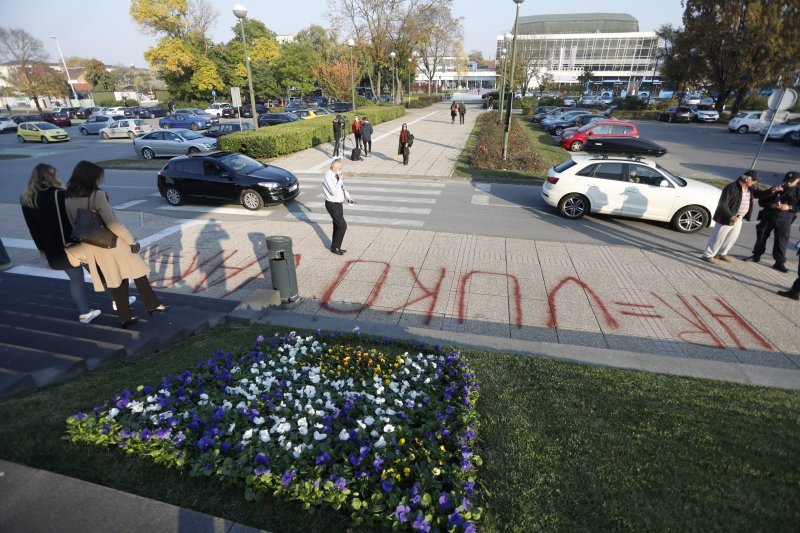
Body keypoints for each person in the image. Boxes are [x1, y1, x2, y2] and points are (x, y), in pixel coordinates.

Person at [63, 161, 168, 327]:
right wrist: (131, 241)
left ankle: (127, 316)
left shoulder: (68, 197)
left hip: (92, 245)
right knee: (138, 270)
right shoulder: (96, 195)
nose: (100, 179)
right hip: (111, 242)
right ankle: (151, 305)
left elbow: (73, 223)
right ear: (91, 177)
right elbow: (113, 224)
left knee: (116, 278)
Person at [20, 163, 101, 323]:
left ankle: (85, 314)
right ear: (51, 177)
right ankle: (119, 302)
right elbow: (75, 218)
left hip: (53, 249)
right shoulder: (60, 194)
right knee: (99, 273)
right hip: (75, 245)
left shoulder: (26, 199)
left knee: (76, 280)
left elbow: (32, 227)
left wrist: (41, 248)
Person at [701, 170, 781, 264]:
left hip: (739, 218)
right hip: (726, 217)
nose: (755, 182)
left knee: (732, 237)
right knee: (718, 237)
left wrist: (773, 190)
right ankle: (708, 255)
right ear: (746, 179)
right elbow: (722, 204)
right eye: (754, 180)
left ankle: (722, 254)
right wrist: (730, 216)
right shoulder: (731, 187)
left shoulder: (750, 188)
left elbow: (760, 194)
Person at [744, 171, 799, 272]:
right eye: (787, 180)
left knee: (781, 241)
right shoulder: (777, 188)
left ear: (798, 180)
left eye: (791, 181)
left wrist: (789, 207)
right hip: (768, 216)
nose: (788, 183)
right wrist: (771, 205)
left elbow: (798, 207)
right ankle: (756, 255)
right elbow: (762, 200)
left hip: (784, 220)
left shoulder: (798, 192)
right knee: (761, 236)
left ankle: (779, 262)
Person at [322, 159, 354, 255]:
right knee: (342, 226)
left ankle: (335, 247)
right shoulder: (328, 176)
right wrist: (340, 179)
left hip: (338, 204)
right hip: (332, 204)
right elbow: (333, 191)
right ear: (333, 167)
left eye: (341, 168)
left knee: (337, 225)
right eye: (339, 168)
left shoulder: (336, 175)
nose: (341, 170)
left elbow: (342, 187)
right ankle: (335, 247)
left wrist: (348, 196)